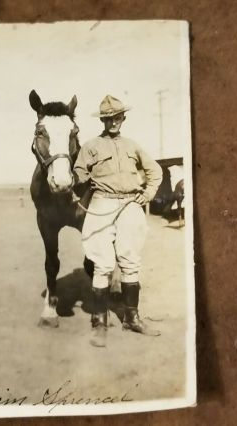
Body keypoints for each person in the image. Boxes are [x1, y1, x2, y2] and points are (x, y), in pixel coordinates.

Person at [73, 95, 163, 347]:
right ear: (102, 120)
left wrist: (146, 195)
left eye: (118, 117)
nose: (114, 122)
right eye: (108, 118)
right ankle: (101, 321)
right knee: (102, 265)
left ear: (123, 118)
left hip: (130, 206)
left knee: (131, 261)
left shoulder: (132, 145)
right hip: (102, 204)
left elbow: (155, 171)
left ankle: (132, 318)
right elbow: (79, 171)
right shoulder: (91, 146)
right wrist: (80, 177)